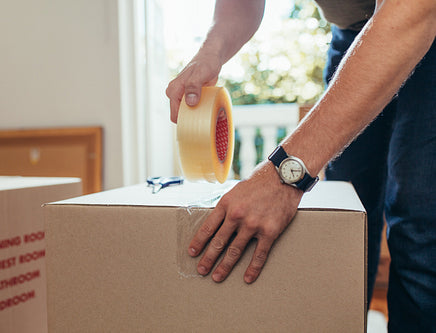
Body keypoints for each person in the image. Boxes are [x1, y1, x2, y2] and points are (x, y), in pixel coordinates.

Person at [166, 0, 435, 331]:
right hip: (354, 36)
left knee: (420, 226)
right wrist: (210, 51)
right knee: (349, 221)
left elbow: (414, 10)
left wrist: (284, 175)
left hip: (420, 17)